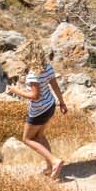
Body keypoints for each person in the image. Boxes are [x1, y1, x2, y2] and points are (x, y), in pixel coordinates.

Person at [18, 50, 69, 180]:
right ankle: (50, 167)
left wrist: (16, 91)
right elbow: (55, 87)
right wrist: (62, 103)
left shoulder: (32, 75)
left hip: (38, 111)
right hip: (50, 105)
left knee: (27, 139)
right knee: (39, 136)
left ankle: (54, 161)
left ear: (29, 58)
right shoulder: (47, 68)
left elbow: (35, 96)